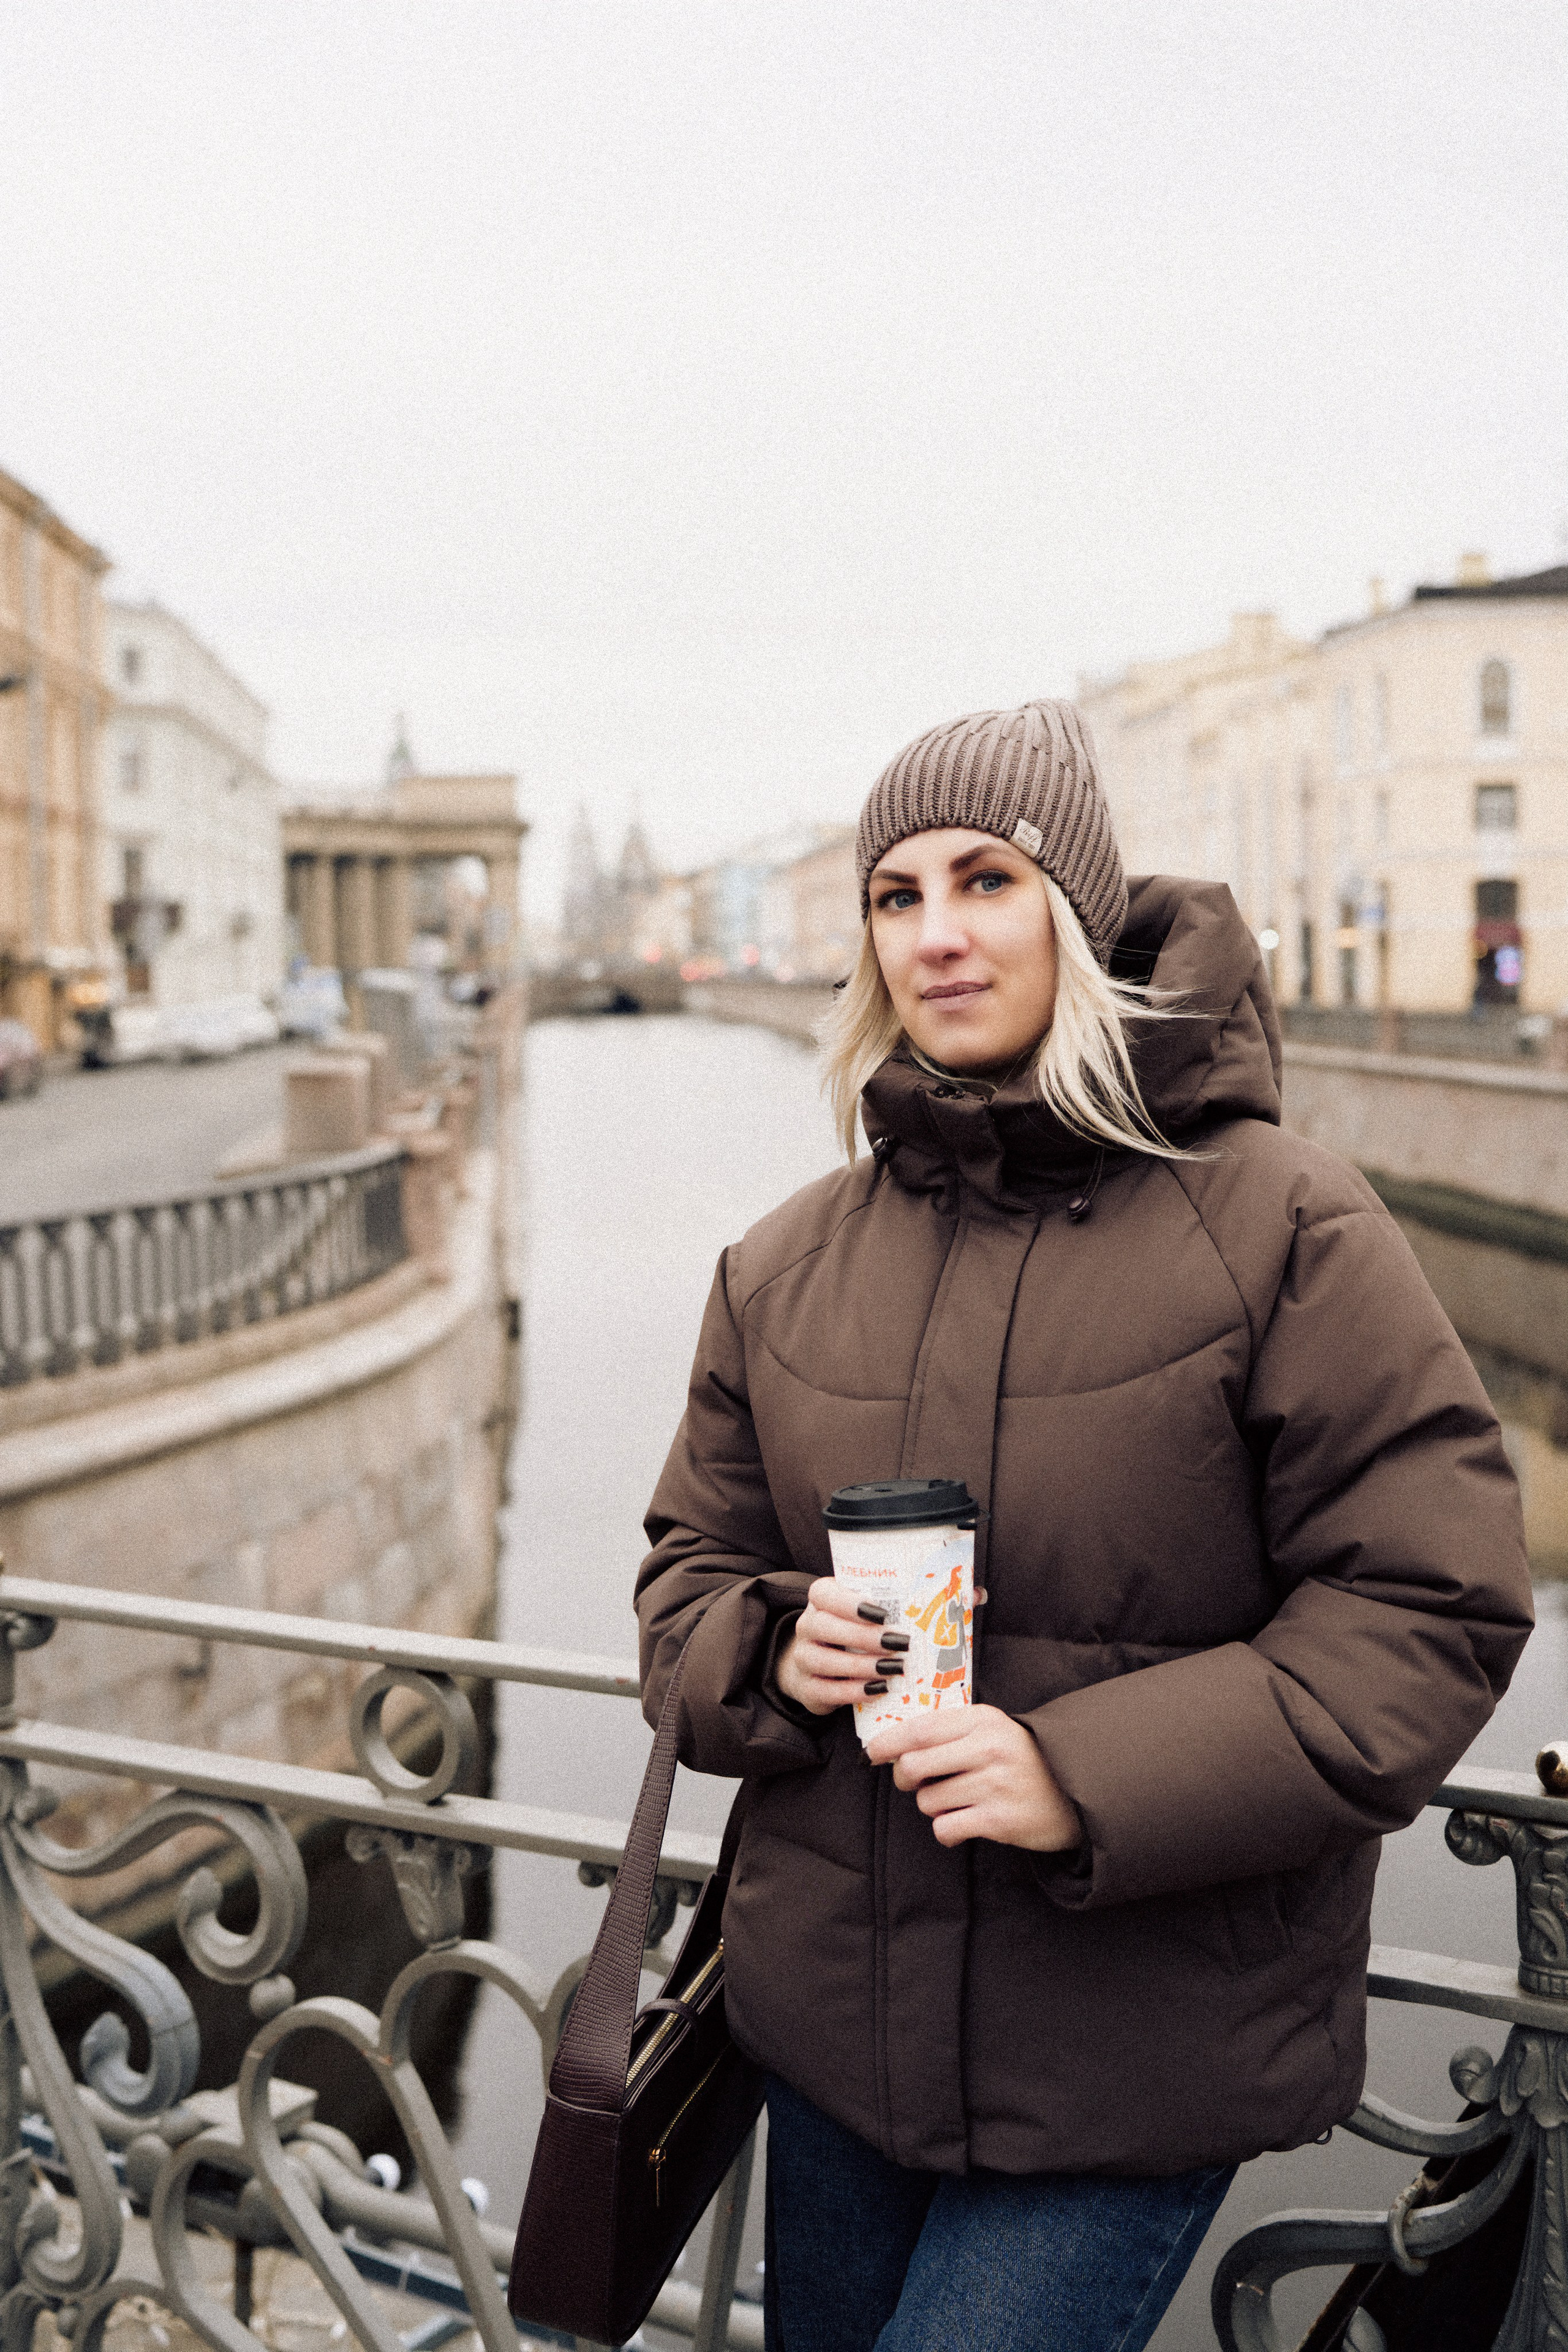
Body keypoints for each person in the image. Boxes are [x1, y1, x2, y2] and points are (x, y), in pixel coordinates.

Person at [635, 700, 1532, 2352]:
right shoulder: (784, 1264)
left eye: (986, 879)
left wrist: (1080, 1775)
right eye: (896, 896)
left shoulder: (1285, 1221)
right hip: (834, 2036)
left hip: (1140, 2038)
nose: (939, 933)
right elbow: (681, 1579)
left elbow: (1430, 1605)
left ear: (1077, 908)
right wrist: (771, 1641)